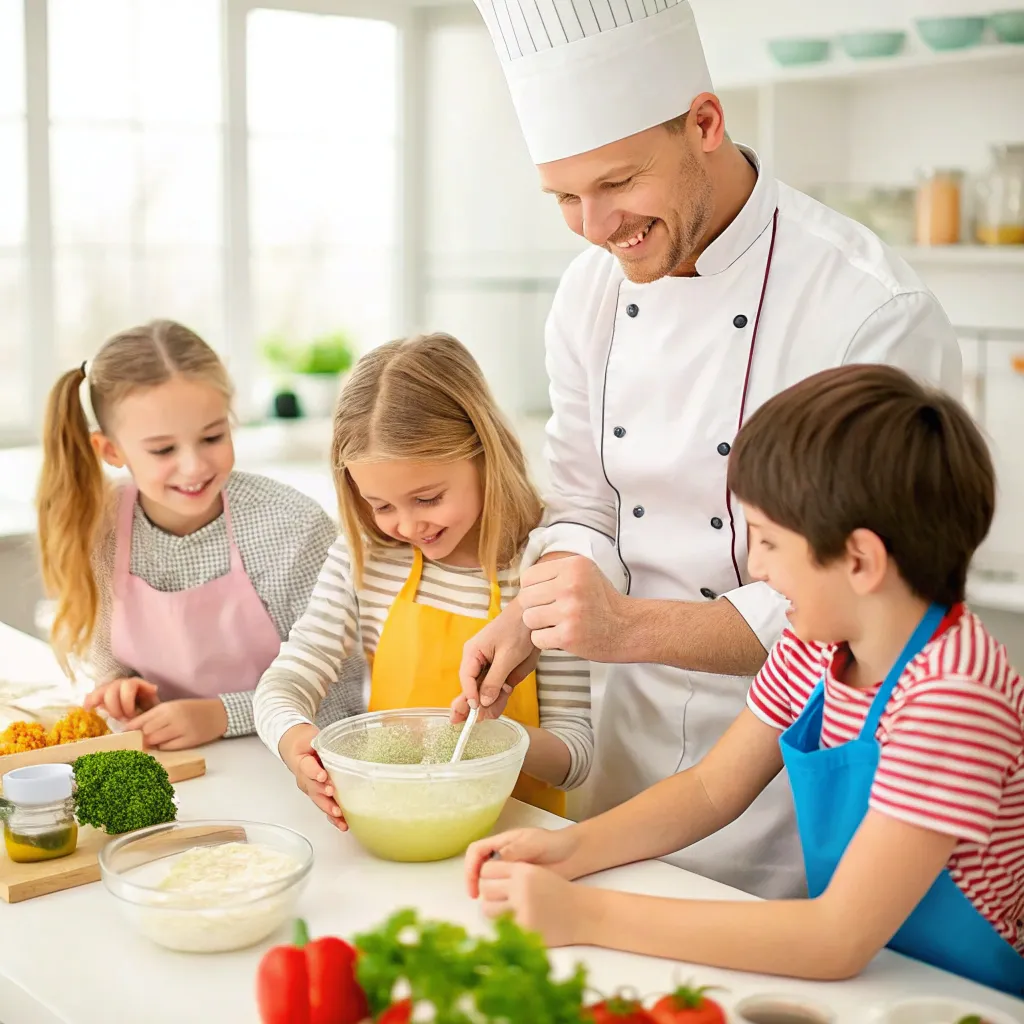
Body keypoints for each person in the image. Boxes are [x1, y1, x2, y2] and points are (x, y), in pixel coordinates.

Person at [460, 0, 963, 898]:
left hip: (802, 768)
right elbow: (585, 504)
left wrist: (625, 629)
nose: (591, 225)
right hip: (629, 760)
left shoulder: (867, 307)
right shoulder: (587, 296)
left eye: (616, 183)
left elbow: (870, 591)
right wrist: (538, 616)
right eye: (564, 197)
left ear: (704, 123)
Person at [466, 364, 1024, 995]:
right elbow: (710, 789)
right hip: (874, 979)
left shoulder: (953, 695)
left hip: (962, 994)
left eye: (767, 542)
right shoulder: (815, 644)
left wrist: (586, 916)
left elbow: (837, 938)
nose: (755, 567)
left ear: (860, 560)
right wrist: (573, 850)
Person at [252, 333, 593, 825]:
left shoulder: (544, 565)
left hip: (516, 838)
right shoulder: (365, 557)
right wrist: (294, 741)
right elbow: (286, 680)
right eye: (381, 505)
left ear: (484, 455)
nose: (408, 528)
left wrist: (490, 737)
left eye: (428, 499)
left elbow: (575, 759)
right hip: (396, 823)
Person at [36, 319, 365, 750]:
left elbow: (342, 697)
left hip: (288, 765)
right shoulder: (101, 527)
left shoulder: (291, 526)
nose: (194, 466)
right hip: (175, 768)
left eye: (212, 436)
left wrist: (224, 714)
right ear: (111, 450)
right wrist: (121, 687)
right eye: (163, 450)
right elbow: (109, 661)